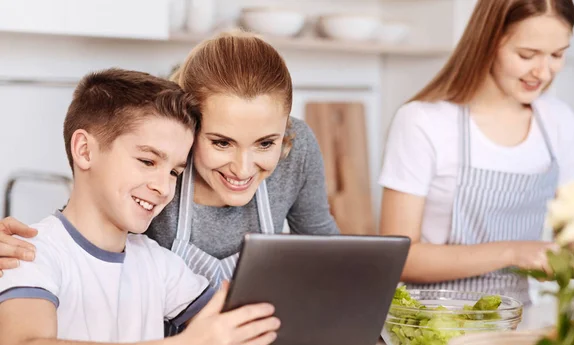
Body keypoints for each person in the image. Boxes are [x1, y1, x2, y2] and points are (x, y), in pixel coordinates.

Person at [0, 69, 280, 345]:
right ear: (85, 151)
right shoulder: (28, 253)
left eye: (174, 171)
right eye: (148, 161)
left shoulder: (158, 265)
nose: (163, 187)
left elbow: (250, 339)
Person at [0, 31, 339, 300]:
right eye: (221, 142)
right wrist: (35, 250)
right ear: (188, 132)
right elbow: (88, 231)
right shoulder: (160, 176)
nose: (243, 168)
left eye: (266, 143)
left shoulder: (298, 147)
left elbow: (324, 250)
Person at [378, 0, 574, 305]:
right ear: (488, 41)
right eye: (526, 55)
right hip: (433, 325)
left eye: (557, 55)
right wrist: (513, 252)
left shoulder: (558, 121)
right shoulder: (423, 121)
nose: (543, 72)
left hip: (516, 321)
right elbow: (399, 257)